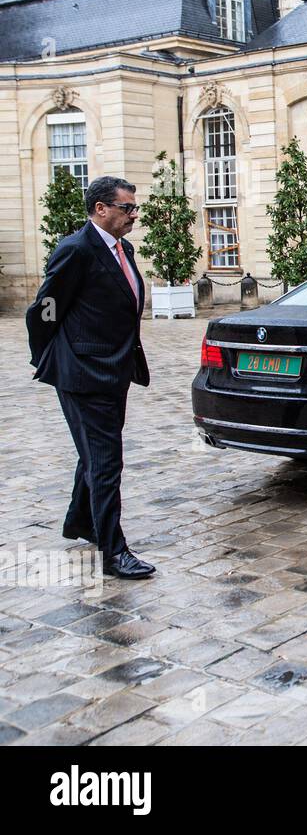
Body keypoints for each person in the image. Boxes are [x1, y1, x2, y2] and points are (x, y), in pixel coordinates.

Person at [26, 176, 154, 579]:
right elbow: (44, 309)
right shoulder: (76, 250)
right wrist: (53, 355)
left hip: (114, 368)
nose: (134, 214)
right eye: (127, 207)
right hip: (83, 373)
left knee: (94, 453)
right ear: (101, 209)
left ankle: (81, 521)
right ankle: (114, 552)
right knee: (106, 460)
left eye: (135, 207)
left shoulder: (123, 247)